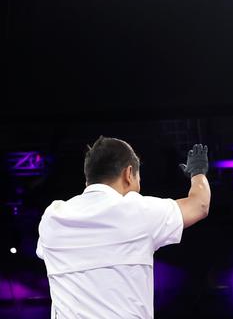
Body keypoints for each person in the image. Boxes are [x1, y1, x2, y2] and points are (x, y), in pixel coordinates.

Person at [36, 136, 211, 319]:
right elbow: (199, 204)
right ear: (129, 174)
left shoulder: (53, 217)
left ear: (89, 177)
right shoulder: (137, 211)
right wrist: (198, 172)